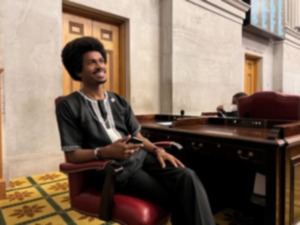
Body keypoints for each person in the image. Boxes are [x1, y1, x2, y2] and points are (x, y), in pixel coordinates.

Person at [56, 36, 215, 225]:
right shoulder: (69, 105)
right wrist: (105, 152)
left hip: (142, 157)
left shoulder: (120, 101)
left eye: (101, 60)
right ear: (78, 70)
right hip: (114, 170)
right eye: (91, 62)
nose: (100, 66)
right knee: (175, 194)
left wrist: (157, 150)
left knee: (187, 177)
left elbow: (138, 137)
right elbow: (73, 155)